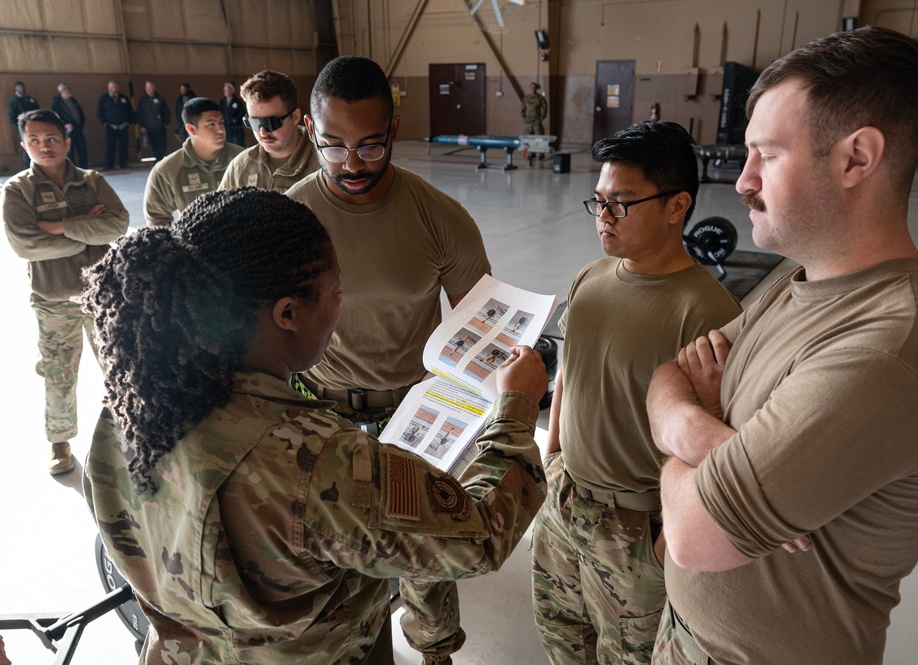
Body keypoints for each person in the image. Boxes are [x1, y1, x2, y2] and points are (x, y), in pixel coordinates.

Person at [81, 188, 549, 664]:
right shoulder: (317, 461)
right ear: (288, 313)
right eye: (336, 290)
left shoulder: (125, 410)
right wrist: (517, 406)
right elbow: (482, 536)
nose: (339, 305)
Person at [646, 27, 918, 665]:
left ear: (856, 157)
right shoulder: (801, 281)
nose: (742, 181)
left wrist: (680, 436)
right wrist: (699, 434)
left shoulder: (890, 350)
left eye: (766, 156)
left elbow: (695, 535)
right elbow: (670, 374)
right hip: (688, 636)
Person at [286, 55, 492, 664]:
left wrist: (469, 417)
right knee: (334, 556)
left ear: (394, 129)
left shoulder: (438, 218)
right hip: (323, 412)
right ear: (308, 131)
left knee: (425, 550)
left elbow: (482, 327)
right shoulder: (292, 219)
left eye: (371, 147)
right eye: (332, 146)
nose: (351, 165)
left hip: (417, 410)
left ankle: (434, 652)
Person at [530, 120, 742, 664]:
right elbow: (570, 379)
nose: (603, 217)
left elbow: (722, 443)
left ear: (677, 206)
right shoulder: (590, 278)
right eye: (598, 201)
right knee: (560, 639)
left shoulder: (707, 312)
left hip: (636, 529)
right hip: (564, 500)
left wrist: (666, 542)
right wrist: (552, 457)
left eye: (621, 204)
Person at [1, 109, 128, 474]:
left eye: (52, 139)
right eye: (35, 141)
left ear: (67, 141)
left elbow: (117, 224)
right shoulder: (18, 190)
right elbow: (26, 244)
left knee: (119, 368)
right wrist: (85, 228)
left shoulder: (91, 181)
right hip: (55, 301)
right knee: (59, 377)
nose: (45, 146)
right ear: (24, 145)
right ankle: (60, 442)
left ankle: (128, 428)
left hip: (103, 297)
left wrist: (57, 227)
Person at [143, 97, 243, 226]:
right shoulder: (167, 170)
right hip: (194, 243)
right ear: (191, 129)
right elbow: (157, 221)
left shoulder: (243, 159)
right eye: (211, 124)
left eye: (221, 122)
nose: (221, 130)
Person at [218, 70, 319, 192]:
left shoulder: (325, 164)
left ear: (295, 117)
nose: (263, 133)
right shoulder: (240, 168)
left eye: (271, 123)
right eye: (255, 123)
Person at [95, 80, 134, 170]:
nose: (113, 89)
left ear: (118, 88)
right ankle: (110, 164)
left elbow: (130, 111)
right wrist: (104, 122)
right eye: (111, 88)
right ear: (108, 88)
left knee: (123, 145)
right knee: (110, 145)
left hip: (123, 126)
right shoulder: (104, 99)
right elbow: (99, 112)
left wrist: (129, 122)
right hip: (110, 126)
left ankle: (123, 163)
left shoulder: (124, 98)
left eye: (115, 87)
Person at [51, 83, 88, 168]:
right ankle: (72, 168)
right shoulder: (57, 102)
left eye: (68, 90)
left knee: (82, 148)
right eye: (65, 90)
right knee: (70, 150)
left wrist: (81, 123)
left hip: (78, 128)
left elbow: (80, 113)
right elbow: (55, 116)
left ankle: (84, 167)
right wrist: (65, 125)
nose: (68, 91)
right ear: (61, 92)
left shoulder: (73, 100)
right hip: (67, 130)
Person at [135, 80, 171, 162]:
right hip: (149, 127)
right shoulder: (142, 101)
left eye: (150, 87)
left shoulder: (160, 99)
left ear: (154, 88)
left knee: (161, 144)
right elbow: (139, 113)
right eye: (146, 87)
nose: (148, 89)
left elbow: (165, 111)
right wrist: (141, 125)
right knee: (153, 144)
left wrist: (166, 122)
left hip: (160, 126)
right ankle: (157, 159)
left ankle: (160, 159)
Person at [7, 81, 39, 169]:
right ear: (16, 88)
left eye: (21, 87)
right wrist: (20, 127)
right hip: (23, 127)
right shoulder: (13, 102)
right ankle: (27, 168)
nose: (20, 89)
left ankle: (38, 166)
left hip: (35, 126)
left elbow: (38, 111)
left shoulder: (30, 99)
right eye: (18, 87)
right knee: (27, 146)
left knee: (37, 144)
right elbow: (12, 117)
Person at [521, 82, 547, 166]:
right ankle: (531, 153)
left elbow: (545, 108)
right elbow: (522, 108)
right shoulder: (526, 98)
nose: (532, 89)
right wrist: (524, 117)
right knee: (528, 138)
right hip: (528, 122)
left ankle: (541, 153)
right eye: (531, 87)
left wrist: (541, 118)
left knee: (539, 137)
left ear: (536, 88)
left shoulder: (540, 98)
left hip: (536, 121)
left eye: (534, 87)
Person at [220, 81, 247, 147]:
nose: (225, 91)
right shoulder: (222, 102)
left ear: (231, 90)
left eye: (227, 89)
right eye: (224, 90)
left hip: (236, 126)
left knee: (240, 142)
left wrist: (235, 120)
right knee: (229, 143)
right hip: (227, 126)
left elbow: (242, 112)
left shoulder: (237, 101)